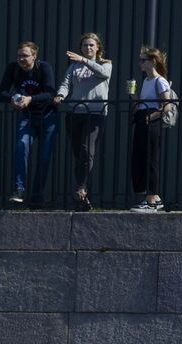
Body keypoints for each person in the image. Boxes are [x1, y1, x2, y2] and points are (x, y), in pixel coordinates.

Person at [53, 33, 112, 211]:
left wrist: (85, 61)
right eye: (85, 46)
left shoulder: (105, 63)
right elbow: (66, 83)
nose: (88, 48)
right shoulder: (74, 67)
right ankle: (82, 196)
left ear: (98, 48)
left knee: (87, 150)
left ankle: (81, 188)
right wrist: (61, 94)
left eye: (91, 45)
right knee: (79, 154)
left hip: (95, 114)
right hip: (75, 112)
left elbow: (103, 74)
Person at [0, 41, 58, 206]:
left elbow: (50, 93)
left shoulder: (43, 68)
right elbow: (1, 93)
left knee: (44, 156)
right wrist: (13, 98)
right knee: (21, 146)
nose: (21, 59)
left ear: (34, 56)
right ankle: (19, 189)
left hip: (48, 115)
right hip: (27, 115)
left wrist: (30, 99)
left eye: (25, 56)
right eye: (19, 56)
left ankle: (37, 196)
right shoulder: (13, 69)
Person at [130, 47, 173, 212]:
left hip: (151, 120)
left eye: (143, 60)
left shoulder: (159, 81)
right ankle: (150, 198)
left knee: (150, 158)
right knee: (139, 157)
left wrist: (151, 117)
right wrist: (133, 96)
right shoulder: (146, 81)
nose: (140, 63)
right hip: (142, 118)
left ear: (152, 61)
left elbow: (167, 106)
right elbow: (141, 103)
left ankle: (152, 198)